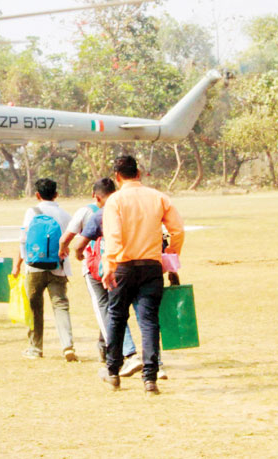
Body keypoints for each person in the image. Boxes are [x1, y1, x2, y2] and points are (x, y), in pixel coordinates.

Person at [99, 155, 184, 395]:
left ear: (117, 177)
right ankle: (150, 378)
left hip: (123, 266)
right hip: (151, 266)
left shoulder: (114, 201)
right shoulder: (158, 197)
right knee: (148, 321)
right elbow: (177, 230)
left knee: (116, 316)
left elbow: (113, 236)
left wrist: (110, 266)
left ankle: (113, 373)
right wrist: (171, 256)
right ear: (139, 173)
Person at [70, 179, 143, 376]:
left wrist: (75, 255)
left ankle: (125, 356)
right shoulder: (132, 207)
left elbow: (74, 243)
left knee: (109, 311)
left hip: (108, 269)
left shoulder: (96, 213)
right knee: (144, 313)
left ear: (96, 196)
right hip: (139, 265)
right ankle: (155, 362)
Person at [11, 178, 75, 361]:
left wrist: (19, 264)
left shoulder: (31, 212)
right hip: (58, 267)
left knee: (34, 307)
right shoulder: (64, 215)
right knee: (61, 305)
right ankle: (67, 345)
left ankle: (35, 348)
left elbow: (23, 240)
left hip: (34, 268)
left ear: (37, 195)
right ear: (56, 194)